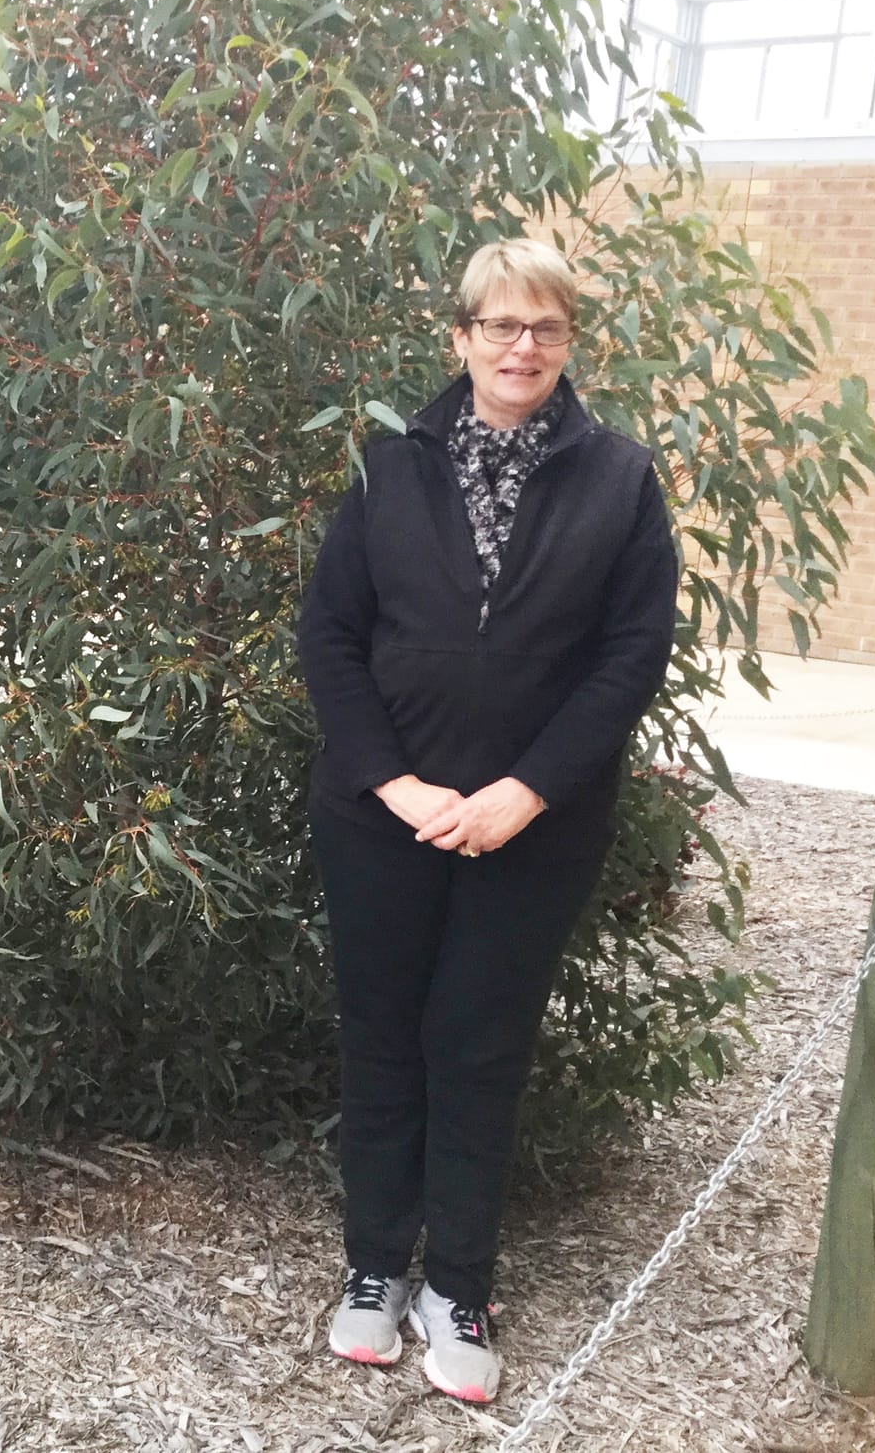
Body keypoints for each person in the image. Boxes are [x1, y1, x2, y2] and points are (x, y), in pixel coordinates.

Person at [295, 238, 678, 1403]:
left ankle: (457, 1283)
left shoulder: (618, 478)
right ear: (457, 338)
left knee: (478, 1044)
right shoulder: (385, 465)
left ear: (568, 344)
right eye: (501, 327)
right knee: (382, 1038)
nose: (523, 348)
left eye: (545, 330)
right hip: (384, 815)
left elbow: (629, 658)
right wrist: (394, 784)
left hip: (533, 823)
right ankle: (372, 1270)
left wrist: (523, 791)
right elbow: (329, 638)